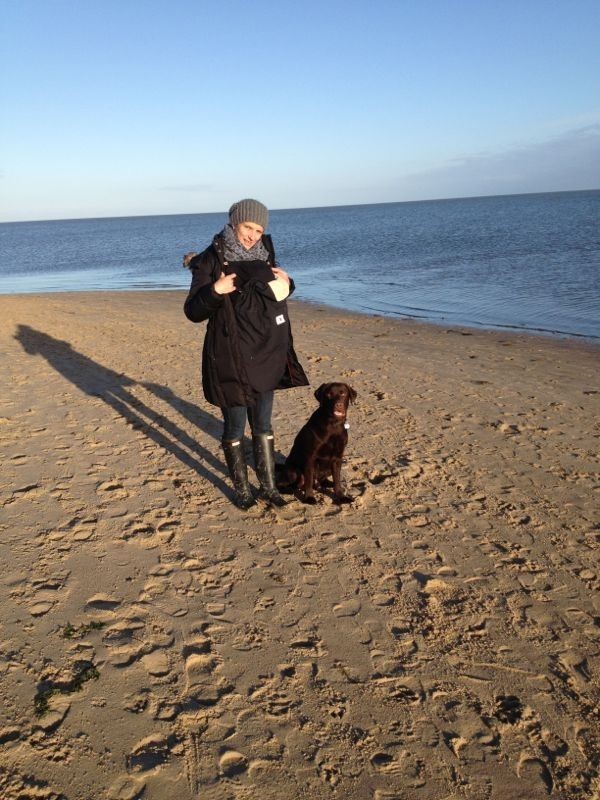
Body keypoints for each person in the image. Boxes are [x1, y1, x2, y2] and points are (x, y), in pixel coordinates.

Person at [183, 199, 309, 509]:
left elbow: (273, 295)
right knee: (235, 426)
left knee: (264, 425)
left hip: (265, 352)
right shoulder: (211, 259)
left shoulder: (266, 254)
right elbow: (193, 311)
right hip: (230, 356)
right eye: (247, 227)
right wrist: (216, 291)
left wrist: (289, 283)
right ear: (233, 223)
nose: (253, 235)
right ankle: (242, 489)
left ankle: (268, 487)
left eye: (258, 229)